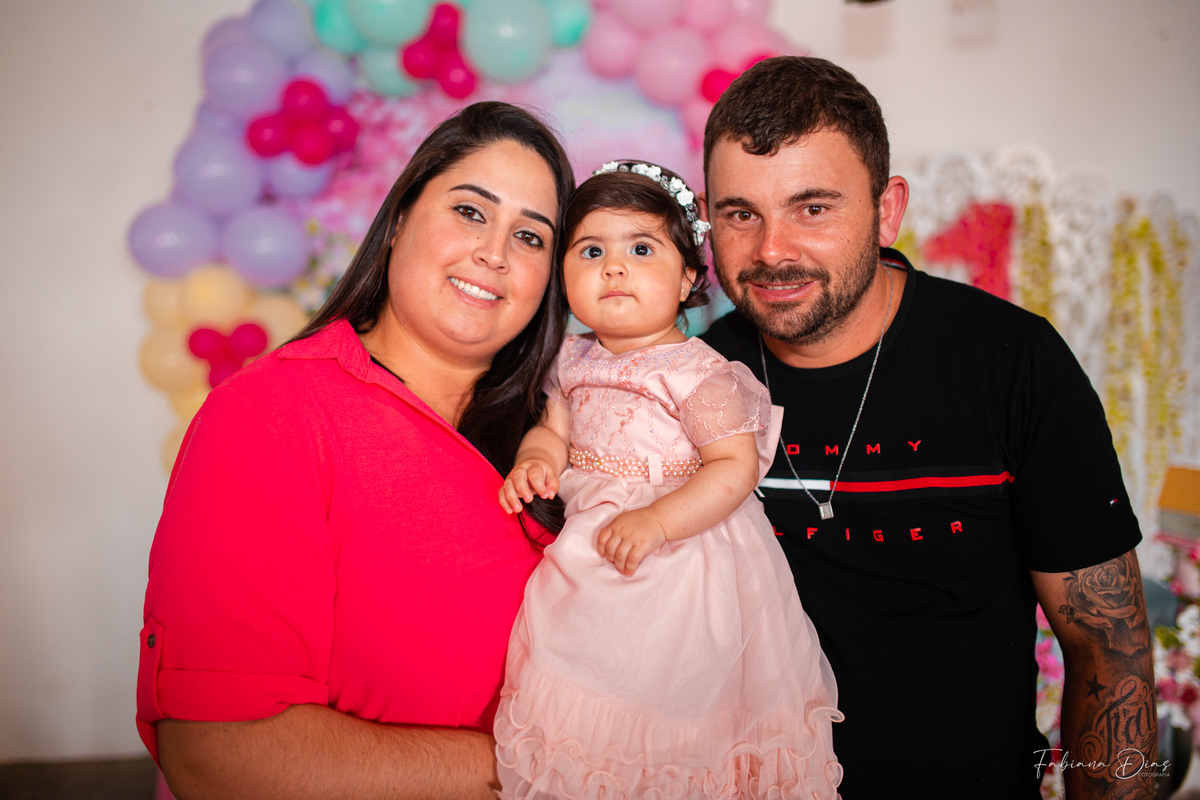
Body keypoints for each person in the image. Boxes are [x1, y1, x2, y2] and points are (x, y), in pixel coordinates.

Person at [698, 56, 1155, 799]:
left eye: (813, 208)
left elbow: (1110, 649)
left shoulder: (1011, 362)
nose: (772, 249)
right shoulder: (691, 377)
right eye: (741, 213)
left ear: (887, 210)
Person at [136, 101, 576, 800]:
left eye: (530, 236)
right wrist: (540, 771)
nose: (495, 252)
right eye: (470, 211)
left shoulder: (573, 429)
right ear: (398, 219)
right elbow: (217, 753)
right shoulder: (271, 416)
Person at [493, 161, 842, 799]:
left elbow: (734, 467)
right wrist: (535, 460)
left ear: (686, 277)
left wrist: (658, 520)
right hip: (591, 549)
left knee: (668, 692)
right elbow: (554, 428)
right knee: (583, 671)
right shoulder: (572, 359)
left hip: (684, 550)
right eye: (591, 251)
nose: (613, 268)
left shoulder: (698, 373)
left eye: (641, 249)